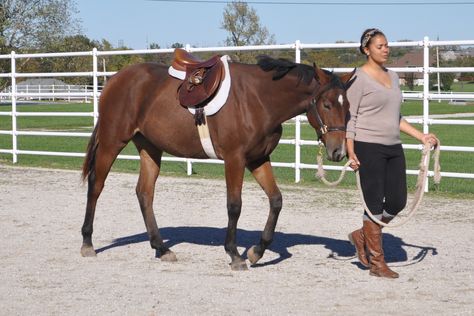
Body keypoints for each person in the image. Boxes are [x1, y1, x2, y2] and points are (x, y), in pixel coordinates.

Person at [346, 28, 438, 278]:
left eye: (387, 45)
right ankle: (377, 263)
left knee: (398, 201)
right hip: (367, 146)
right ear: (366, 49)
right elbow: (350, 118)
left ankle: (362, 235)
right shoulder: (359, 78)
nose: (385, 49)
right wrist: (350, 151)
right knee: (374, 203)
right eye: (380, 46)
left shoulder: (394, 76)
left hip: (393, 146)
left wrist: (421, 136)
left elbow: (395, 116)